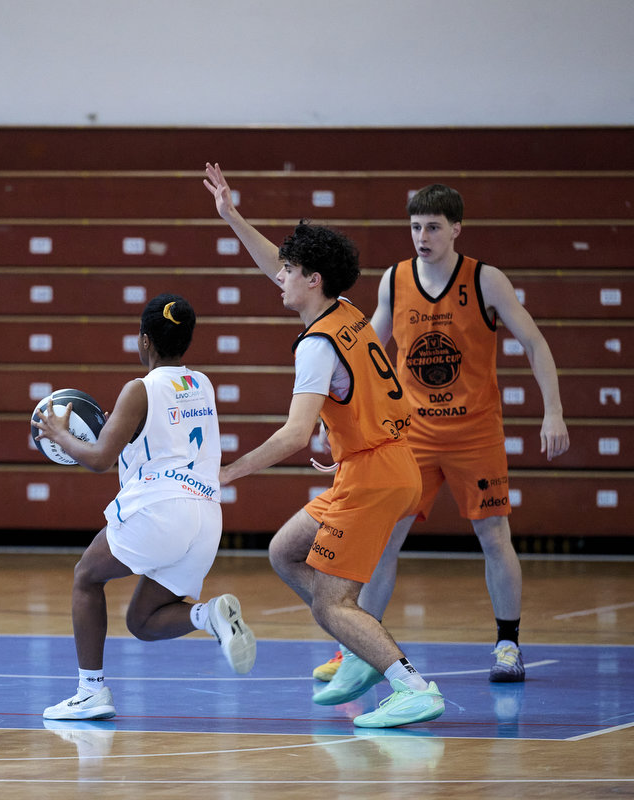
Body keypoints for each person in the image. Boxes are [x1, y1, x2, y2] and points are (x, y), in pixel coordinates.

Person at [202, 162, 444, 728]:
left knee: (333, 603)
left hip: (373, 477)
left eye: (289, 271)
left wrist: (229, 471)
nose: (279, 277)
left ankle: (410, 685)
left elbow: (293, 434)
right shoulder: (344, 311)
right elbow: (277, 264)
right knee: (285, 551)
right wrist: (233, 216)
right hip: (384, 464)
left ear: (312, 280)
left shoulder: (316, 346)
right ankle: (362, 644)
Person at [312, 184, 570, 690]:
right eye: (415, 227)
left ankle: (508, 644)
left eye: (432, 227)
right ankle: (359, 649)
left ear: (456, 229)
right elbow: (366, 352)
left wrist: (554, 412)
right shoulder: (395, 279)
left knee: (494, 535)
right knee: (385, 539)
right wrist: (332, 413)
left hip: (476, 433)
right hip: (411, 436)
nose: (422, 236)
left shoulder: (485, 280)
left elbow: (535, 343)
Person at [35, 293, 257, 722]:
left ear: (144, 340)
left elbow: (99, 459)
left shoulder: (138, 389)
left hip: (161, 510)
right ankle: (208, 615)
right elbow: (160, 439)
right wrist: (118, 429)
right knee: (142, 620)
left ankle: (90, 691)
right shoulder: (202, 384)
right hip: (206, 518)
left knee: (86, 578)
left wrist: (59, 433)